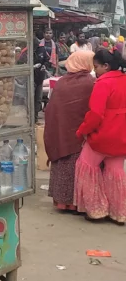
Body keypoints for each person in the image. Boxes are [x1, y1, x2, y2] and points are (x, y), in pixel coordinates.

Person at [74, 49, 126, 223]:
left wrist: (82, 130)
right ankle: (119, 212)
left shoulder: (103, 83)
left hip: (102, 136)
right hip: (122, 135)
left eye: (96, 67)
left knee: (86, 167)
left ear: (106, 66)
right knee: (116, 172)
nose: (95, 71)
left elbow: (95, 114)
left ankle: (96, 210)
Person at [44, 51, 95, 212]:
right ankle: (75, 202)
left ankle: (61, 201)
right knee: (76, 167)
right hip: (80, 135)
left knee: (62, 166)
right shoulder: (90, 82)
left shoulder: (61, 82)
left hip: (61, 132)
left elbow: (52, 109)